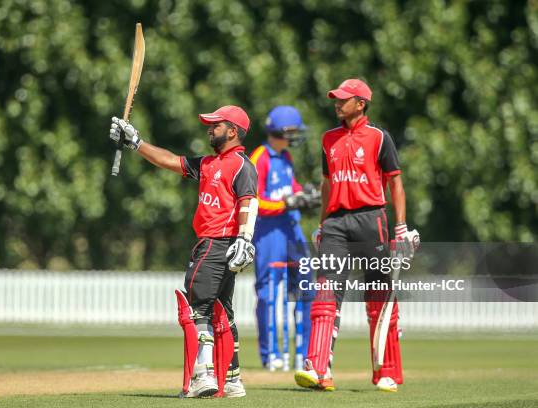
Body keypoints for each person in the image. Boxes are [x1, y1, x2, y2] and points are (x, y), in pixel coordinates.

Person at [109, 105, 258, 398]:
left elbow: (248, 202)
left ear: (233, 131)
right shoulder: (208, 163)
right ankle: (231, 378)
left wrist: (245, 238)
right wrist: (136, 142)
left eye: (216, 125)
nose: (209, 128)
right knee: (221, 311)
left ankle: (204, 376)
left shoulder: (241, 164)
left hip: (217, 242)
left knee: (197, 306)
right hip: (216, 243)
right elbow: (170, 161)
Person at [293, 79, 419, 392]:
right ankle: (318, 368)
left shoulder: (379, 138)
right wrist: (323, 224)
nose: (337, 103)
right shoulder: (328, 138)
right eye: (336, 99)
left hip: (371, 219)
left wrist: (401, 227)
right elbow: (326, 184)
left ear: (360, 103)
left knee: (378, 293)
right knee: (325, 292)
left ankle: (386, 371)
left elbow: (395, 183)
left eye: (344, 99)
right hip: (336, 223)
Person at [249, 106, 317, 370]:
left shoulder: (286, 156)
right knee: (268, 294)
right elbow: (253, 200)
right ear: (280, 131)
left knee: (305, 289)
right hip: (269, 232)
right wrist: (286, 203)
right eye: (293, 131)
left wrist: (303, 195)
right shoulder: (260, 157)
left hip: (292, 228)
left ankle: (304, 352)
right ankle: (271, 356)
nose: (296, 135)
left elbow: (292, 187)